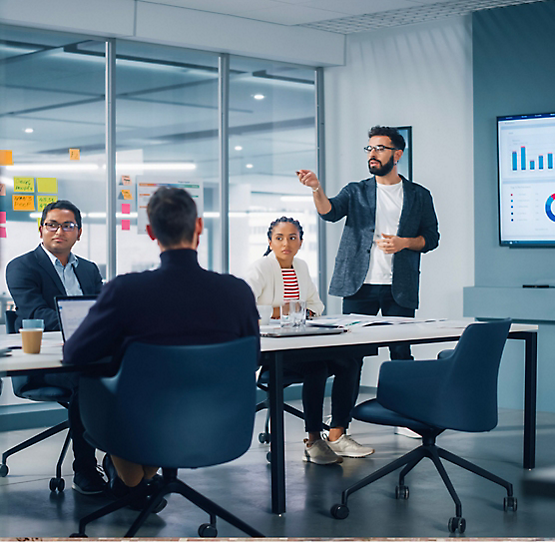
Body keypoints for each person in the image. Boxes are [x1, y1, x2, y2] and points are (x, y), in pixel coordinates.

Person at [63, 187, 260, 508]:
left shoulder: (127, 290)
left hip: (140, 425)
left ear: (152, 232)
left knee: (115, 391)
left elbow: (74, 355)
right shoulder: (237, 292)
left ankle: (132, 481)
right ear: (198, 227)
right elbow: (252, 359)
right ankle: (137, 482)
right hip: (218, 423)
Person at [297, 125, 439, 361]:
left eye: (380, 148)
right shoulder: (356, 191)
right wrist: (316, 189)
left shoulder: (419, 195)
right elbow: (330, 212)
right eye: (369, 149)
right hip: (358, 285)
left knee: (401, 351)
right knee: (350, 355)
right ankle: (345, 401)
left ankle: (402, 399)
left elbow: (432, 238)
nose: (372, 154)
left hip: (400, 287)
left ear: (397, 154)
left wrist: (404, 243)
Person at [246, 217, 374, 465]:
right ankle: (314, 440)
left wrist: (301, 312)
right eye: (280, 238)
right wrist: (280, 311)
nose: (286, 243)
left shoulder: (301, 267)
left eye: (292, 238)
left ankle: (337, 433)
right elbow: (243, 305)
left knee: (350, 361)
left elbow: (316, 305)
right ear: (270, 242)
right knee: (317, 367)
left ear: (301, 242)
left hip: (302, 343)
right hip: (271, 352)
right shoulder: (261, 267)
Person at [6, 200, 106, 496]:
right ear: (41, 230)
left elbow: (104, 310)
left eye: (67, 225)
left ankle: (121, 463)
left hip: (89, 355)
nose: (59, 231)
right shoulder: (22, 267)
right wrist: (86, 323)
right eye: (52, 224)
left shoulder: (88, 270)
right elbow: (35, 313)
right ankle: (85, 469)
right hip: (44, 364)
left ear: (79, 233)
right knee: (87, 379)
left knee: (123, 372)